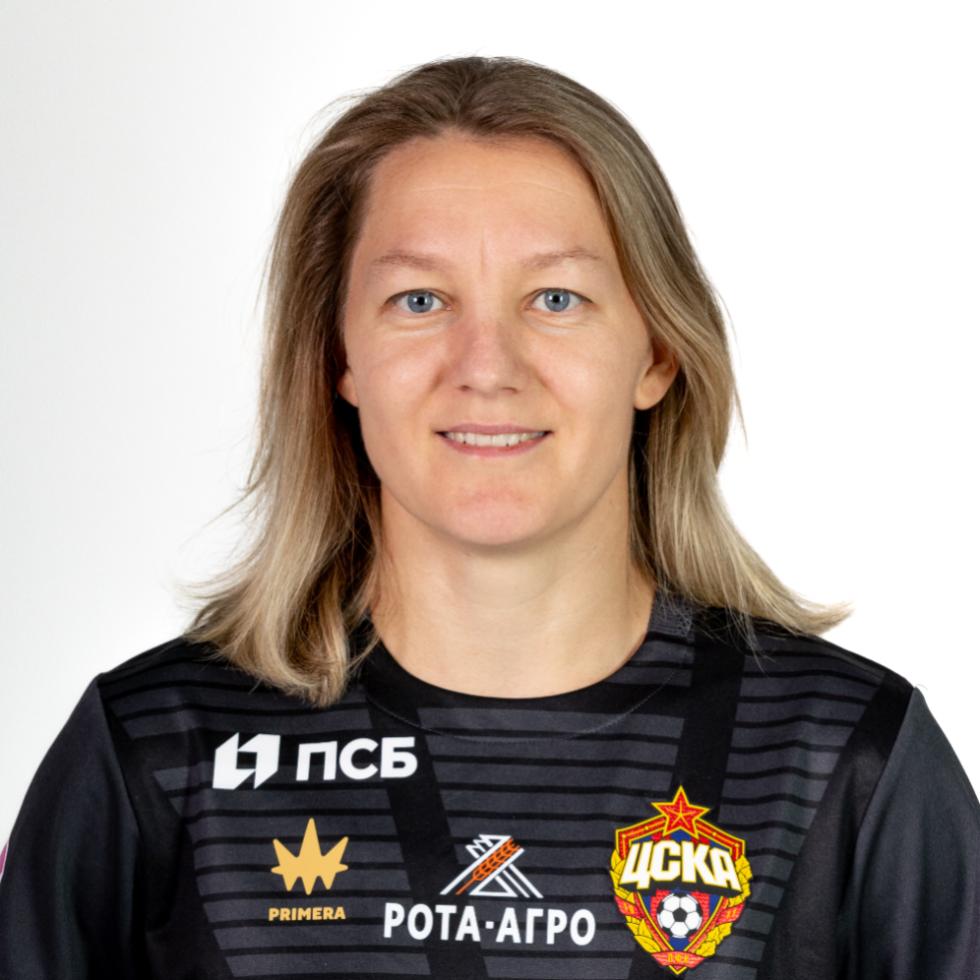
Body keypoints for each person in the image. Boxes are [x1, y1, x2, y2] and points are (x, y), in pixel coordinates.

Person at [1, 54, 977, 980]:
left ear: (656, 353)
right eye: (419, 299)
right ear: (337, 355)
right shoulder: (156, 750)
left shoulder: (841, 758)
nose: (486, 365)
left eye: (555, 297)